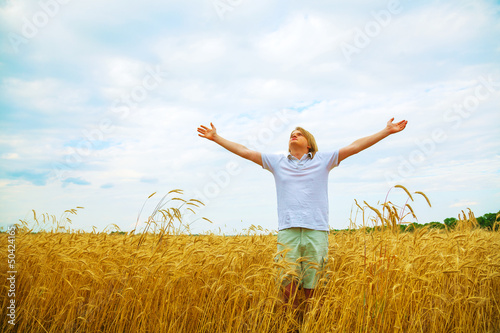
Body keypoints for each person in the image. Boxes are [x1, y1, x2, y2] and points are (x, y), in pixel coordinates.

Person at [197, 118, 408, 308]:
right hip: (287, 230)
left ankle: (310, 323)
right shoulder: (277, 162)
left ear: (309, 143)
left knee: (312, 287)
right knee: (287, 287)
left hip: (316, 230)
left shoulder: (323, 159)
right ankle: (289, 322)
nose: (293, 135)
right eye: (291, 134)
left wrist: (386, 131)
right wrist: (216, 137)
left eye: (299, 133)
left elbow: (354, 147)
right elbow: (245, 152)